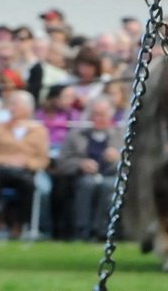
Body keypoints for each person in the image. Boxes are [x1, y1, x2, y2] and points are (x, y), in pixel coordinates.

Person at [0, 90, 48, 238]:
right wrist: (7, 160)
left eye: (14, 104)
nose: (11, 108)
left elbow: (43, 159)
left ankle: (19, 225)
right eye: (10, 104)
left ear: (27, 108)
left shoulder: (39, 131)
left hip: (24, 171)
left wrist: (26, 162)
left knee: (28, 184)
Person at [54, 98, 122, 241]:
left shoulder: (120, 137)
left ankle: (102, 230)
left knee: (108, 186)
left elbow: (131, 163)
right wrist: (80, 164)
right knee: (87, 184)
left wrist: (117, 159)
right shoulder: (75, 135)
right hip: (82, 177)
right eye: (95, 114)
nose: (98, 118)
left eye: (102, 114)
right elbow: (62, 162)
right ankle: (82, 230)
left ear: (110, 115)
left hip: (111, 176)